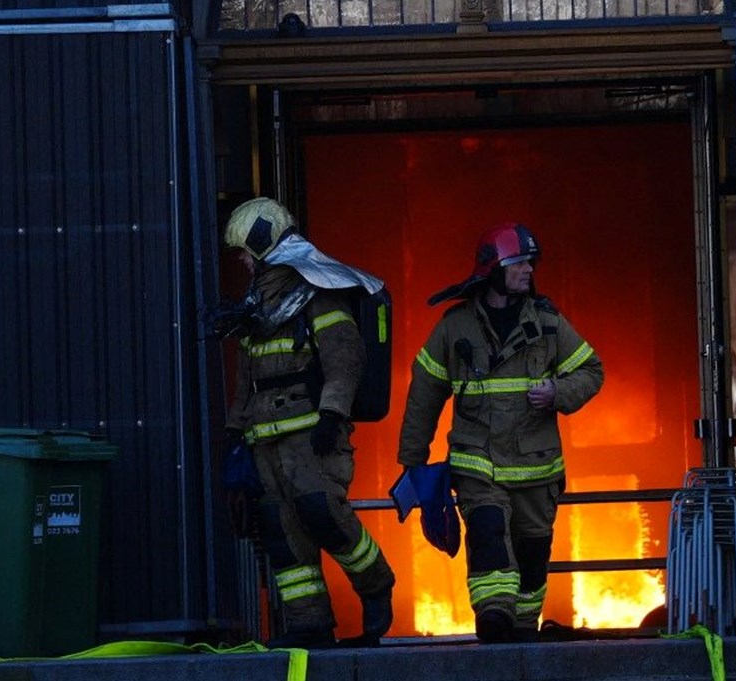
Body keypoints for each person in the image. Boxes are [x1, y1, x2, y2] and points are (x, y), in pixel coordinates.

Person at [397, 222, 604, 644]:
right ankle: (493, 621)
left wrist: (557, 391)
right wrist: (412, 461)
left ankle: (523, 631)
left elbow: (591, 370)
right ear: (493, 269)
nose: (529, 270)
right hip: (479, 464)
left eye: (531, 262)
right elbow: (424, 393)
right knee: (488, 534)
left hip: (536, 468)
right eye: (519, 263)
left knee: (531, 555)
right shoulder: (455, 327)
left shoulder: (548, 323)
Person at [222, 196, 395, 649]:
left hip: (310, 435)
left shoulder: (317, 294)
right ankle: (309, 625)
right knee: (281, 534)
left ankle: (376, 585)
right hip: (264, 441)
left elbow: (346, 360)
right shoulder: (252, 310)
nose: (241, 260)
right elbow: (246, 380)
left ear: (265, 244)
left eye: (245, 251)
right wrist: (235, 432)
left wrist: (333, 414)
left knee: (324, 516)